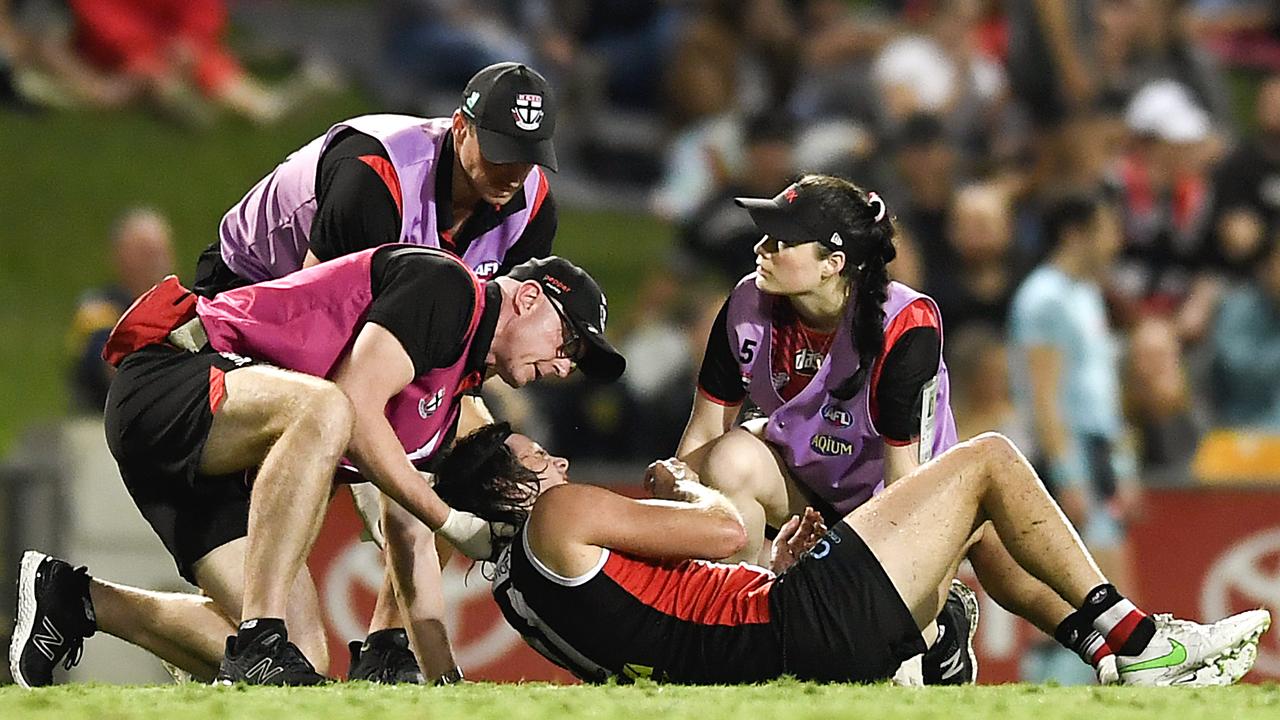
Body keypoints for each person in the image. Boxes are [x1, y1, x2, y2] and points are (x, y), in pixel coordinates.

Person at [8, 249, 625, 688]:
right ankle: (257, 636)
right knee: (327, 408)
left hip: (223, 456)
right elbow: (353, 405)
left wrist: (442, 679)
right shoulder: (450, 290)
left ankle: (77, 598)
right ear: (527, 296)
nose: (567, 365)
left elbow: (411, 527)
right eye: (568, 342)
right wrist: (451, 518)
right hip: (175, 376)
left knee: (302, 659)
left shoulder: (452, 390)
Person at [673, 174, 1131, 685]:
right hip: (808, 489)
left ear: (833, 263)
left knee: (997, 551)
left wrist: (899, 634)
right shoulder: (746, 304)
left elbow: (904, 487)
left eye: (782, 241)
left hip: (904, 507)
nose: (761, 248)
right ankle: (731, 634)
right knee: (728, 459)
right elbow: (700, 437)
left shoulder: (903, 324)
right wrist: (679, 509)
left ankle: (1113, 640)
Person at [192, 60, 562, 684]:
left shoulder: (530, 207)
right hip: (251, 313)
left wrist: (460, 441)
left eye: (529, 158)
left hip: (374, 331)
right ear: (459, 128)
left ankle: (391, 644)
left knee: (468, 454)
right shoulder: (375, 176)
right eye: (501, 151)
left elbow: (468, 352)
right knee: (361, 458)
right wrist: (402, 480)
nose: (512, 173)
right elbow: (316, 337)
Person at [431, 423, 1270, 686]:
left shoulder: (516, 586)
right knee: (988, 460)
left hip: (772, 637)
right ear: (508, 485)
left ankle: (1107, 649)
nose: (560, 465)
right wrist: (686, 486)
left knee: (972, 521)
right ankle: (1141, 645)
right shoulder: (561, 515)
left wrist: (770, 577)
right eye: (538, 459)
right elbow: (725, 529)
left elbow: (668, 623)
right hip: (794, 633)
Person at [68, 207, 175, 412]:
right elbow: (114, 368)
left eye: (161, 250)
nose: (156, 260)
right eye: (146, 251)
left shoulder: (186, 305)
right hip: (103, 423)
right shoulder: (98, 309)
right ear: (120, 255)